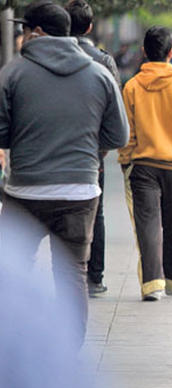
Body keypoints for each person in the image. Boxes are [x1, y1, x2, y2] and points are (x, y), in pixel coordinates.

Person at [0, 0, 129, 347]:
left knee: (11, 271)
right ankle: (69, 352)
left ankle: (14, 345)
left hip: (25, 191)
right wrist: (87, 148)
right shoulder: (99, 73)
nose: (21, 36)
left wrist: (27, 139)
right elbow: (119, 136)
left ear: (37, 32)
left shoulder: (12, 73)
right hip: (81, 192)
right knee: (72, 274)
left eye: (24, 30)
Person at [118, 26, 172, 301]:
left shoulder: (131, 87)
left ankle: (151, 284)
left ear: (144, 51)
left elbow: (126, 131)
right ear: (171, 52)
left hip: (143, 164)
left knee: (147, 224)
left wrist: (126, 158)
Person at [65, 0, 121, 297]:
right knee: (93, 212)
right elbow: (116, 113)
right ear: (90, 26)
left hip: (55, 151)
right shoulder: (103, 61)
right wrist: (103, 148)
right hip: (91, 152)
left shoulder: (41, 59)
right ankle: (94, 277)